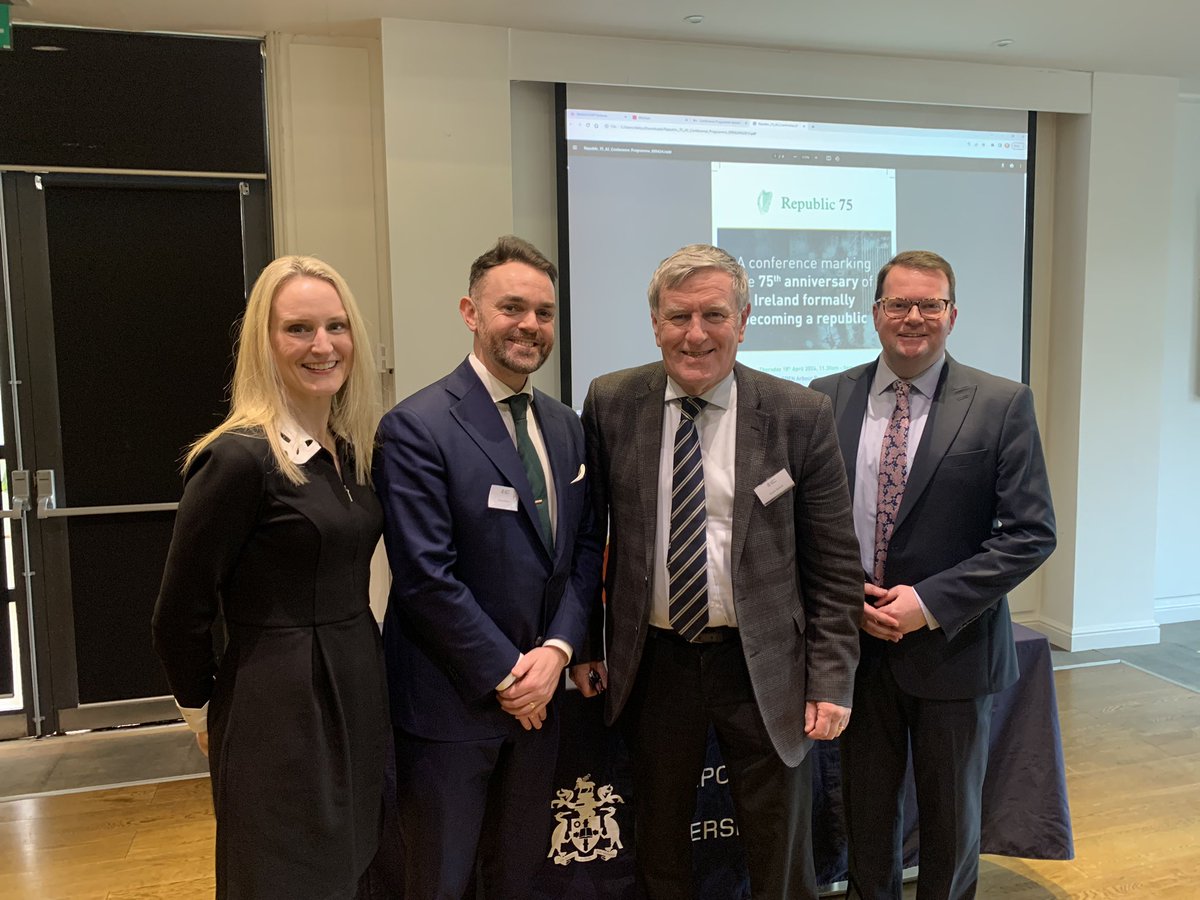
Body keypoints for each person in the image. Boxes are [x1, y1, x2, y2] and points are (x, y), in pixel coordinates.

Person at [571, 244, 863, 899]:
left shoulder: (798, 414)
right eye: (678, 317)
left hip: (764, 664)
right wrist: (587, 644)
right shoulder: (613, 401)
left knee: (779, 848)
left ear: (744, 319)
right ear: (654, 323)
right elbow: (591, 539)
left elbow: (835, 563)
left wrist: (833, 678)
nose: (695, 333)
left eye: (713, 315)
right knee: (659, 841)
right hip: (656, 663)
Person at [809, 250, 1057, 899]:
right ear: (875, 313)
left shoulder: (1002, 403)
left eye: (929, 304)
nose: (913, 317)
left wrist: (930, 601)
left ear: (952, 314)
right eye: (899, 304)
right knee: (865, 816)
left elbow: (1031, 532)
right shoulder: (824, 398)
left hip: (956, 649)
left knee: (950, 824)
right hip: (855, 649)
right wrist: (842, 597)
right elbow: (807, 522)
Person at [373, 236, 604, 899]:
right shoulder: (415, 427)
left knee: (519, 875)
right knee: (439, 882)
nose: (531, 325)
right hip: (450, 706)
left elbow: (584, 552)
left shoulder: (567, 427)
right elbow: (424, 577)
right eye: (513, 308)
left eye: (544, 312)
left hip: (540, 704)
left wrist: (558, 651)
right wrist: (510, 676)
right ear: (471, 312)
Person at [152, 255, 387, 899]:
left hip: (358, 683)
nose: (322, 345)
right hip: (276, 705)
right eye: (299, 329)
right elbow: (180, 612)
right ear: (265, 342)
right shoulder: (237, 459)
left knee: (352, 865)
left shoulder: (355, 450)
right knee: (284, 874)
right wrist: (203, 715)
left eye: (336, 327)